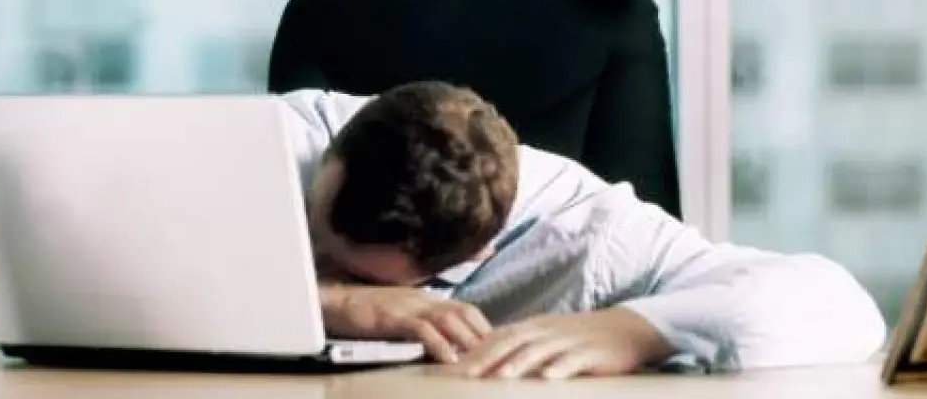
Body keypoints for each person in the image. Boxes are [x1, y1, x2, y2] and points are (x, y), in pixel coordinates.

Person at [281, 81, 886, 379]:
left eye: (359, 273)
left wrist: (637, 330)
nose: (322, 261)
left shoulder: (593, 234)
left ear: (478, 252)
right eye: (312, 224)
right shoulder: (294, 133)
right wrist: (332, 301)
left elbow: (844, 307)